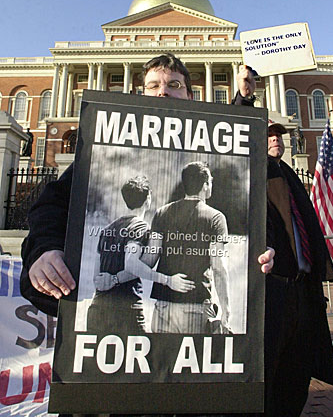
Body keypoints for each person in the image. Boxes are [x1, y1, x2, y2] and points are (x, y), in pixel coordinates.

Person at [20, 53, 273, 316]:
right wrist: (45, 250)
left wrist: (261, 248)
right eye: (154, 85)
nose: (163, 92)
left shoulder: (211, 149)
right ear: (141, 94)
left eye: (173, 85)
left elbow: (247, 183)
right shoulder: (111, 145)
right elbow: (52, 204)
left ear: (190, 96)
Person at [261, 120, 333, 416]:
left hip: (303, 288)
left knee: (298, 372)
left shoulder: (289, 174)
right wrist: (244, 98)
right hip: (278, 288)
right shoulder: (258, 172)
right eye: (268, 135)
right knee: (272, 373)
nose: (276, 139)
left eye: (278, 134)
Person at [129, 161, 231, 334]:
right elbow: (219, 267)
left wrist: (129, 250)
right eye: (210, 181)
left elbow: (148, 260)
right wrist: (226, 310)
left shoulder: (161, 213)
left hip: (162, 307)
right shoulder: (216, 218)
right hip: (196, 306)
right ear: (205, 185)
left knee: (162, 361)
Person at [87, 175, 195, 334]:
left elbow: (97, 277)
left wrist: (110, 279)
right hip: (126, 310)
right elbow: (131, 263)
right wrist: (167, 280)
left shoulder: (107, 229)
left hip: (96, 308)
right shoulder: (140, 228)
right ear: (148, 198)